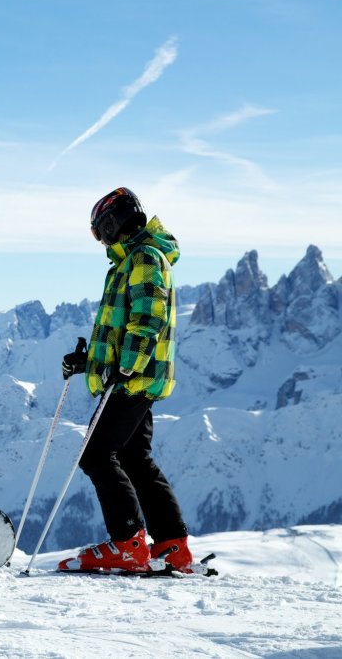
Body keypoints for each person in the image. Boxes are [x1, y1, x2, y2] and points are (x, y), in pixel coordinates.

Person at [58, 187, 200, 574]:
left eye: (99, 230)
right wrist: (88, 363)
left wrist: (129, 365)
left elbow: (148, 317)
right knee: (134, 457)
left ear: (113, 222)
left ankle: (127, 543)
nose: (101, 239)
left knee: (96, 454)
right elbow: (121, 330)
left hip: (133, 380)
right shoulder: (132, 260)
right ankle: (172, 544)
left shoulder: (144, 257)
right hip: (134, 376)